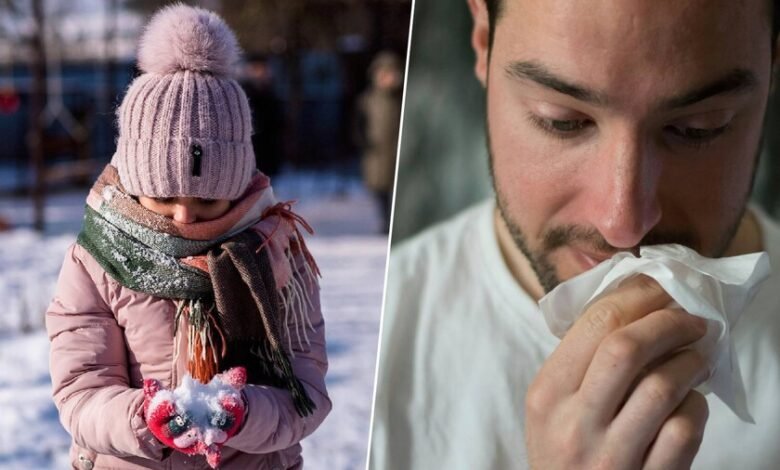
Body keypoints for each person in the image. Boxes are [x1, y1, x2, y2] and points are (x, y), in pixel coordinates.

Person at [370, 0, 780, 469]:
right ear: (483, 40)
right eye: (562, 120)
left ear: (773, 66)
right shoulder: (387, 344)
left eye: (696, 129)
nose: (622, 224)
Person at [45, 5, 330, 469]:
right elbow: (81, 389)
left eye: (208, 201)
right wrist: (143, 418)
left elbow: (306, 391)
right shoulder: (95, 259)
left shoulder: (277, 250)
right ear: (134, 181)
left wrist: (245, 414)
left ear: (237, 186)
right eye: (163, 198)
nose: (184, 216)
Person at [356, 52, 403, 232]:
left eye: (390, 74)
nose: (387, 79)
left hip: (395, 153)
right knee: (380, 192)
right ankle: (386, 222)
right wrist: (364, 143)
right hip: (376, 155)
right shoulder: (367, 100)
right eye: (383, 74)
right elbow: (358, 125)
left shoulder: (400, 98)